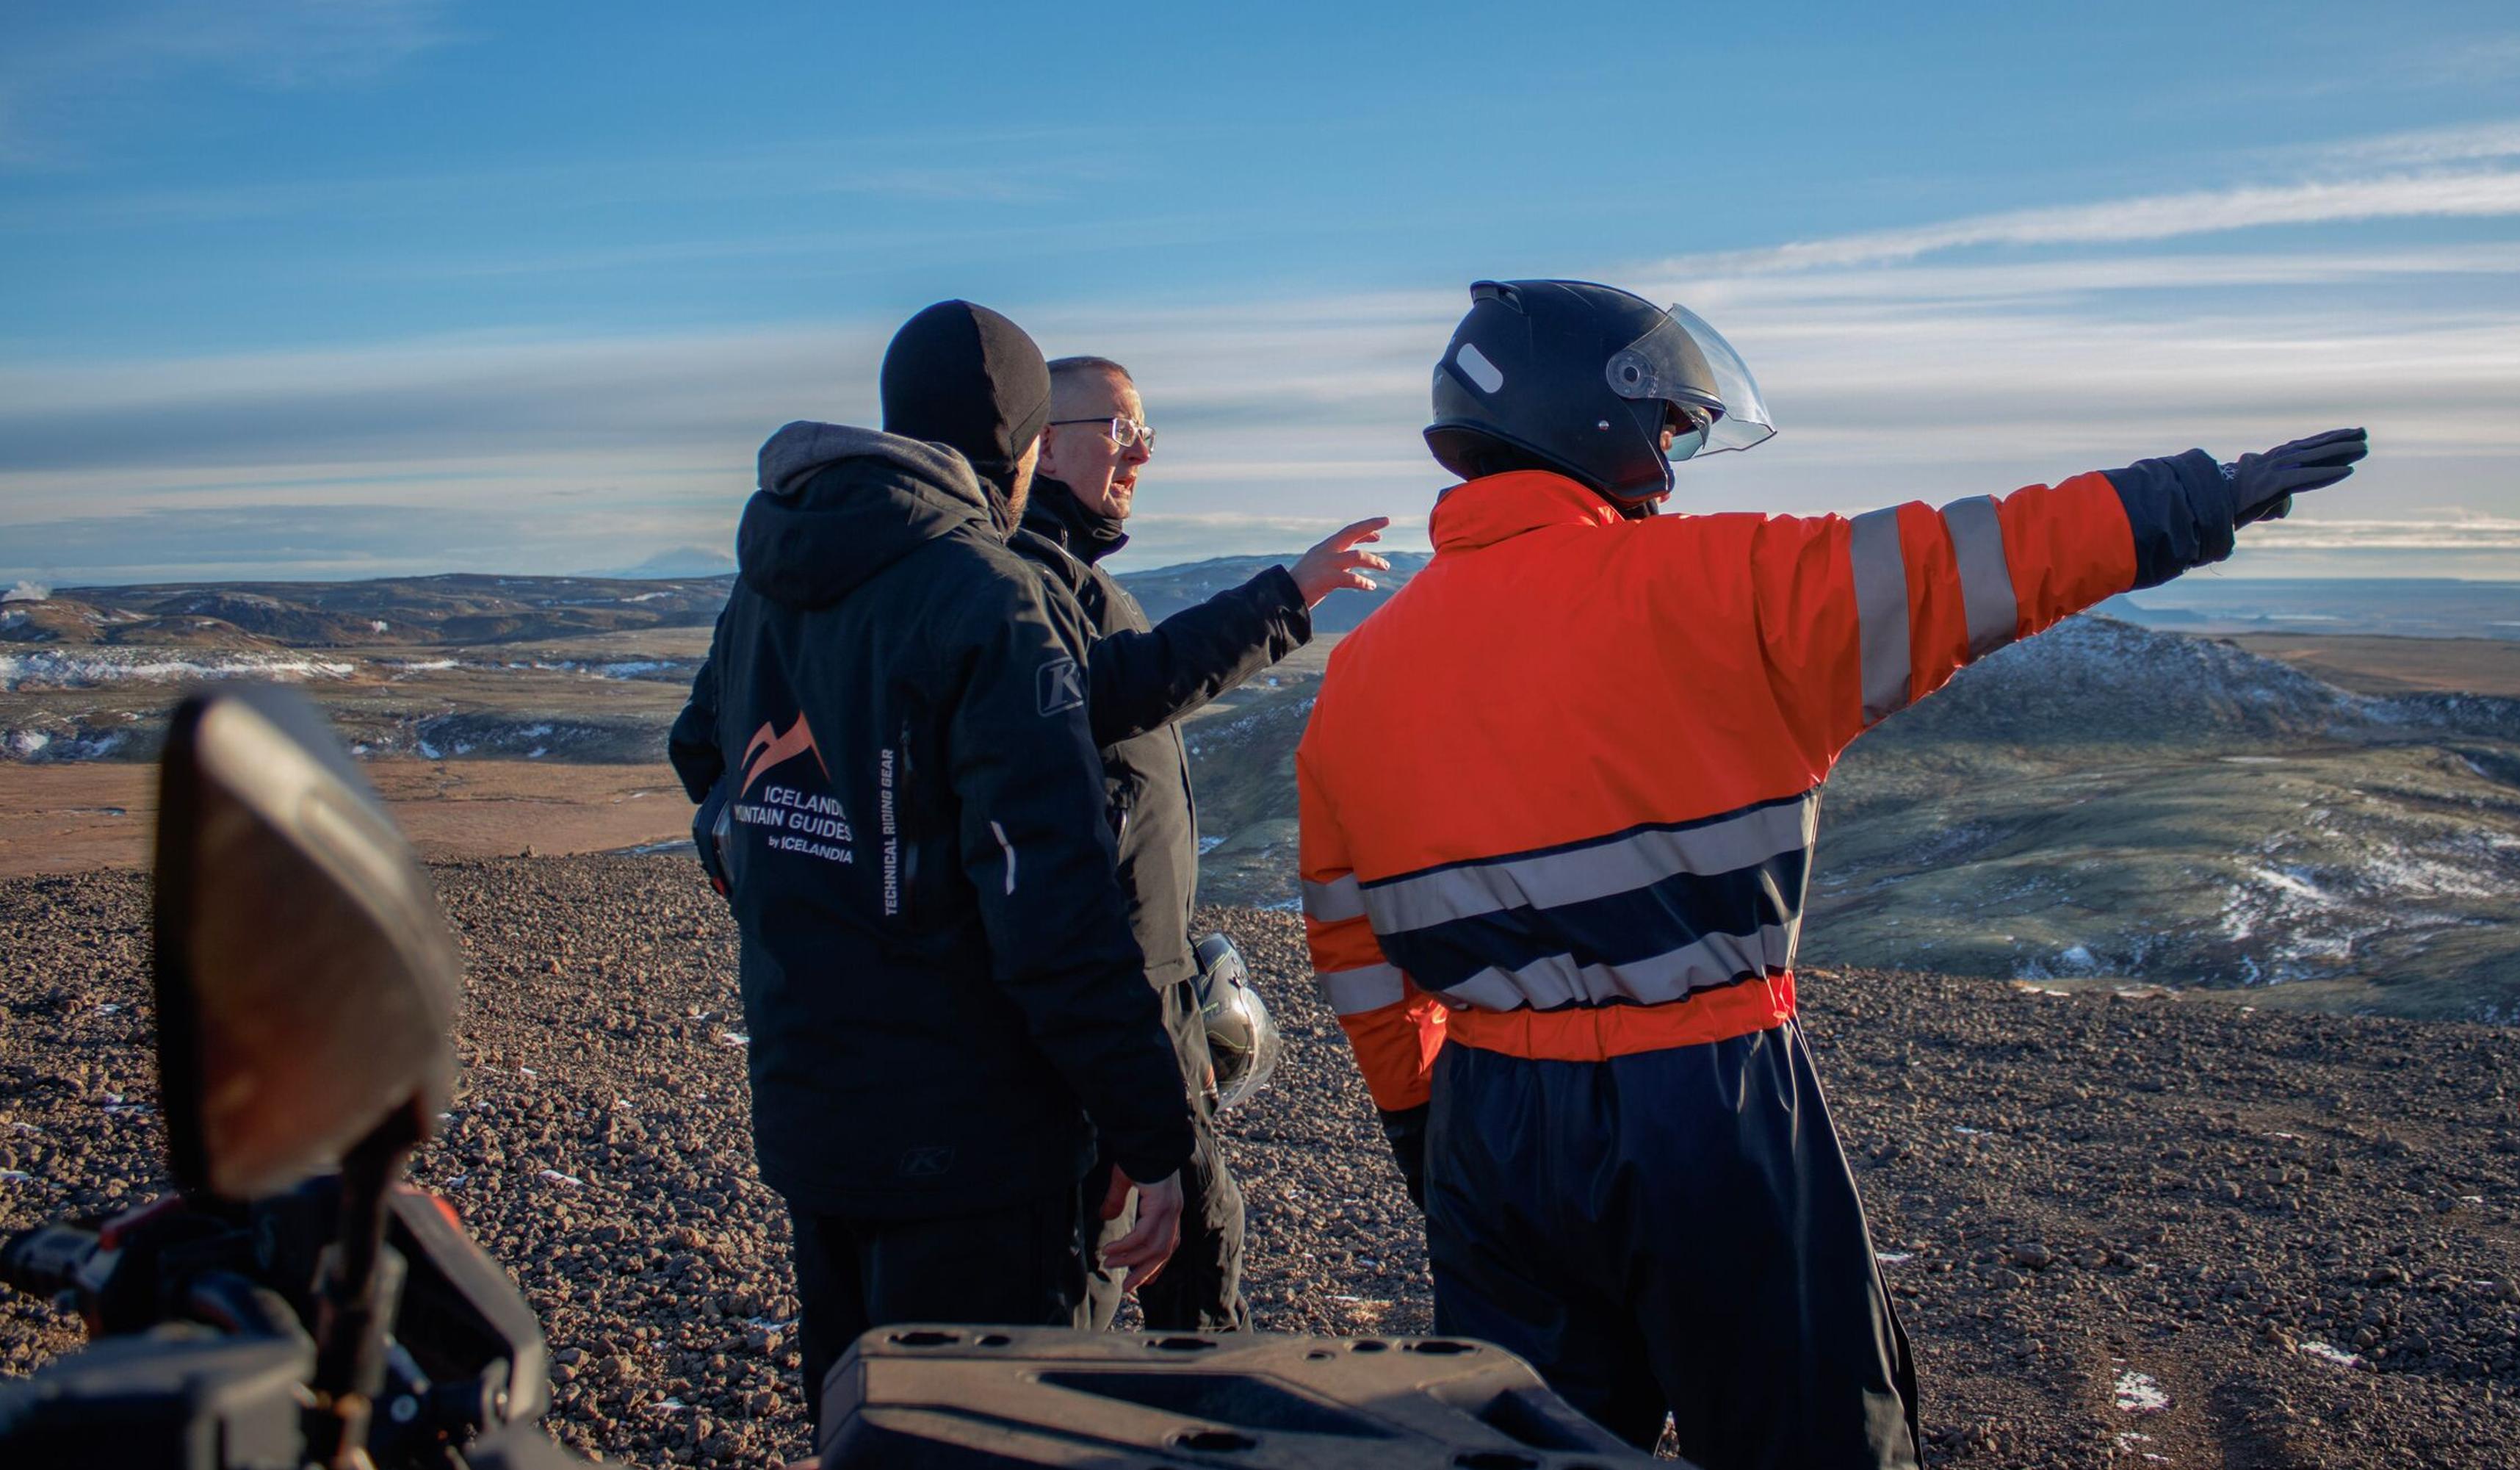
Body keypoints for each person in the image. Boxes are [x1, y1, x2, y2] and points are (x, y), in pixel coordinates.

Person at [1296, 278, 2369, 1470]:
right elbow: (1976, 560)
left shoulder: (1359, 675)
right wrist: (2195, 500)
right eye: (1665, 425)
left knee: (1526, 1449)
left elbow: (1349, 947)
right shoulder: (1719, 588)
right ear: (1590, 421)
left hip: (1489, 1128)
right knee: (1807, 1438)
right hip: (1704, 1098)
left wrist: (1421, 1127)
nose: (1671, 454)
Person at [668, 299, 1195, 1427]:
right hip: (975, 1153)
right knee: (990, 1440)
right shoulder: (986, 597)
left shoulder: (766, 583)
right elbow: (1052, 910)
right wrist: (1154, 1135)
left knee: (859, 1422)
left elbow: (706, 757)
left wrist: (796, 884)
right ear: (1013, 449)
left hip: (816, 1114)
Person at [1017, 353, 1389, 1330]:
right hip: (1109, 1013)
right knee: (1103, 1274)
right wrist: (1288, 594)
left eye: (1148, 435)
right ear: (1045, 444)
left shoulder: (1073, 585)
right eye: (1121, 429)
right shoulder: (1030, 595)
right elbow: (1136, 686)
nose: (1141, 453)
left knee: (1201, 1232)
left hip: (1149, 1004)